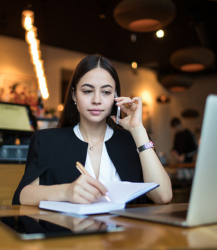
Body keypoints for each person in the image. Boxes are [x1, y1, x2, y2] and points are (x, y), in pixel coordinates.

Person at [12, 54, 172, 206]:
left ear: (115, 97)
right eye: (87, 91)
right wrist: (66, 192)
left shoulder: (133, 141)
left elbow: (162, 196)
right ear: (74, 95)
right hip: (67, 233)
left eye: (106, 92)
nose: (96, 100)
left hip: (126, 234)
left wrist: (137, 129)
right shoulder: (47, 140)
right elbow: (24, 195)